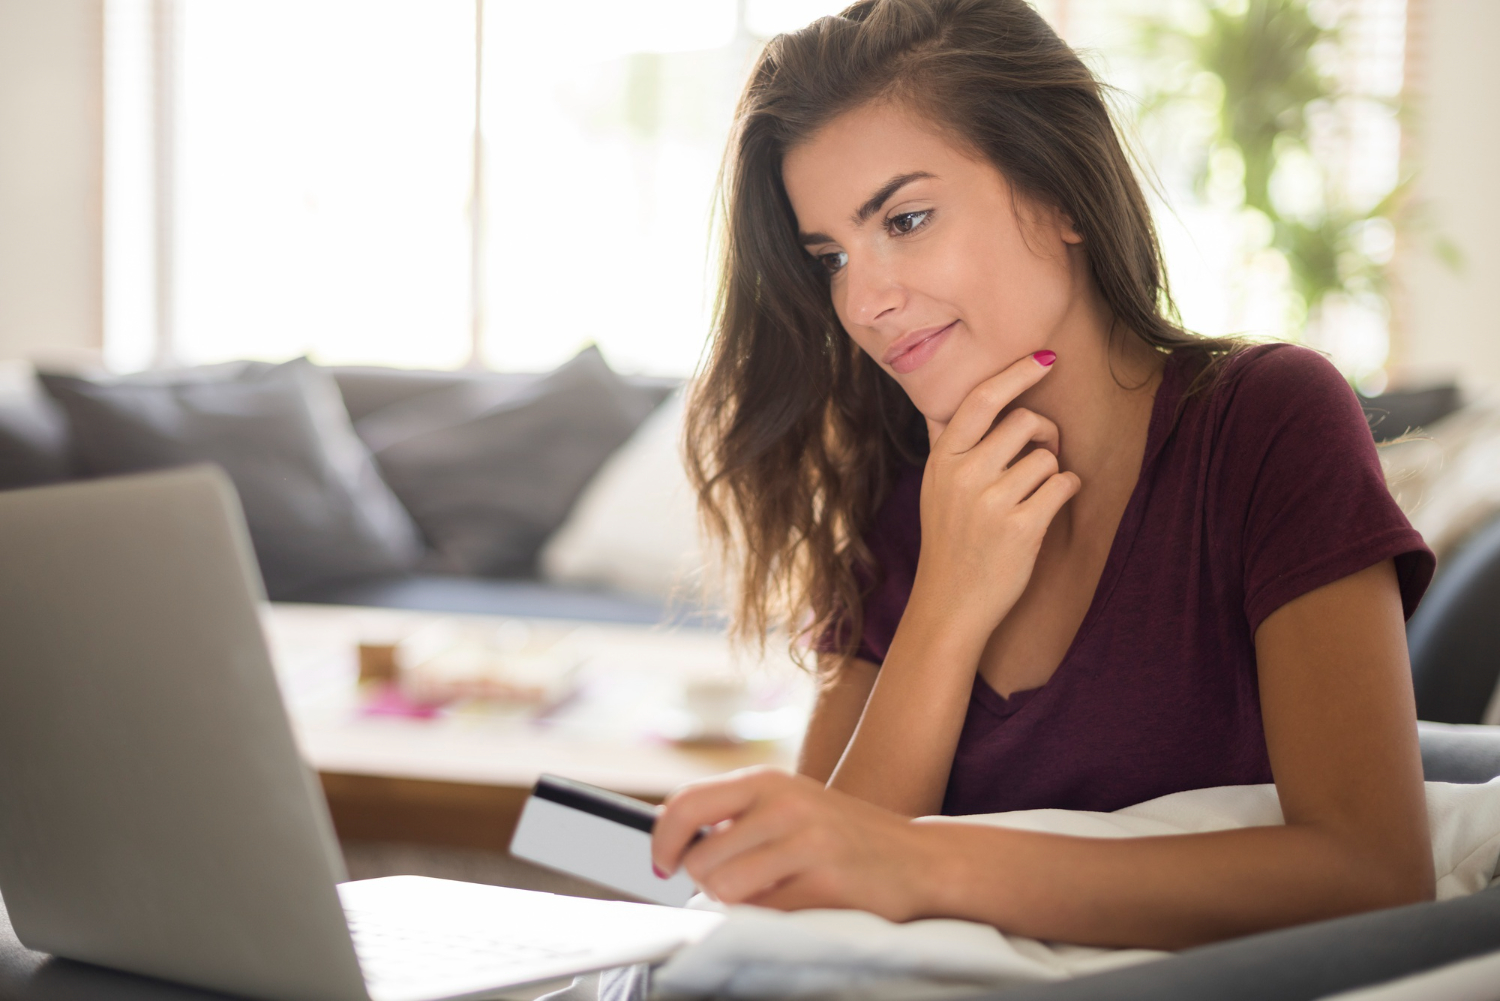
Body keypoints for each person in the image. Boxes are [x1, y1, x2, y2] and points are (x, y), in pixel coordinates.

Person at [651, 0, 1437, 950]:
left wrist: (924, 865)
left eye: (905, 218)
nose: (863, 301)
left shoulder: (1267, 422)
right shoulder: (899, 487)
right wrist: (947, 600)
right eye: (831, 258)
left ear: (1057, 192)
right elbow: (819, 904)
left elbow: (1374, 874)